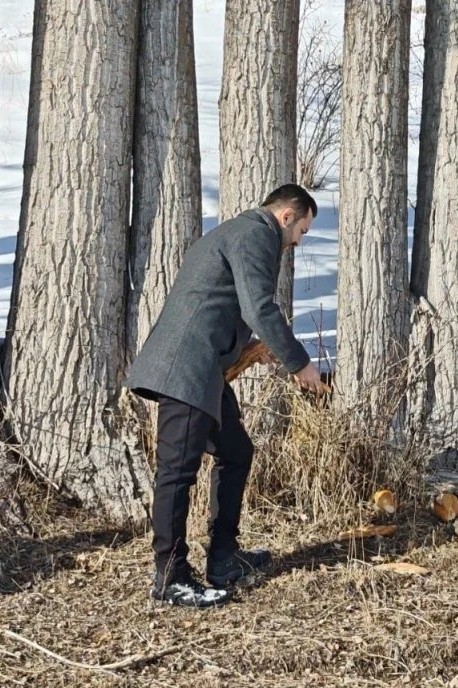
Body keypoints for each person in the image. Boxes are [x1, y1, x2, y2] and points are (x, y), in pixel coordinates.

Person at [125, 183, 328, 608]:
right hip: (186, 368)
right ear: (287, 216)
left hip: (203, 369)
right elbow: (259, 308)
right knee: (177, 472)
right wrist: (298, 363)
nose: (299, 241)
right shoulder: (255, 234)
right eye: (302, 231)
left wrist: (250, 349)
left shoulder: (240, 232)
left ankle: (223, 559)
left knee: (236, 452)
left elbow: (222, 302)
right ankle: (170, 577)